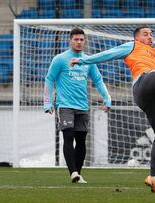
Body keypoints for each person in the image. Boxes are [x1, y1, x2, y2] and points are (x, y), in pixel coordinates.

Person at [70, 21, 155, 193]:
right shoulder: (132, 46)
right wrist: (84, 60)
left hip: (151, 97)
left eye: (151, 34)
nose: (150, 36)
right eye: (146, 34)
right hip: (143, 84)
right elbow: (108, 54)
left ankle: (154, 178)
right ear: (137, 37)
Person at [43, 27, 111, 183]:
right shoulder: (60, 59)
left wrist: (107, 98)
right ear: (70, 40)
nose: (79, 42)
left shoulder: (88, 61)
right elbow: (49, 79)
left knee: (81, 140)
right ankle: (73, 172)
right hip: (64, 105)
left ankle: (77, 174)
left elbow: (98, 80)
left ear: (84, 41)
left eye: (81, 40)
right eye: (76, 39)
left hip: (82, 106)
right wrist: (47, 102)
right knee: (68, 136)